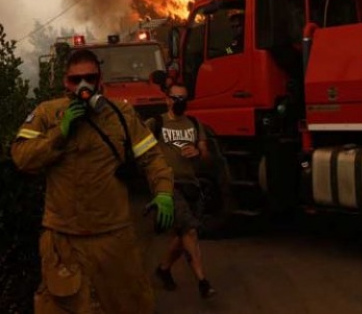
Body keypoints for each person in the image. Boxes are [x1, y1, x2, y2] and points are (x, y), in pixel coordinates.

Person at [12, 49, 175, 314]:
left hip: (114, 239)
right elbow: (21, 158)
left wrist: (164, 192)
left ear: (100, 80)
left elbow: (152, 157)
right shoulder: (47, 114)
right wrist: (60, 133)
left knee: (131, 305)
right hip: (64, 242)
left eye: (90, 78)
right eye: (76, 80)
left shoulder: (121, 114)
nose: (83, 86)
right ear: (65, 82)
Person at [145, 83, 217, 300]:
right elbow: (140, 150)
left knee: (183, 234)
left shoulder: (194, 123)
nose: (179, 102)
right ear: (167, 99)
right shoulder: (155, 123)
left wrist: (197, 152)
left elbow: (206, 155)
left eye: (183, 98)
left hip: (191, 184)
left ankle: (164, 268)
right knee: (190, 231)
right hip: (167, 184)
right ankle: (202, 281)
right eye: (175, 98)